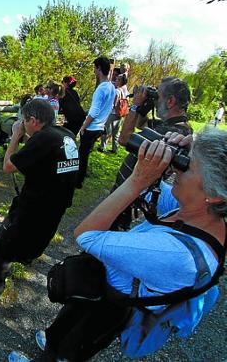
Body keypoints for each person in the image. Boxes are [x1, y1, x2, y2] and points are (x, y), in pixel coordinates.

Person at [17, 130, 225, 362]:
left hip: (107, 309)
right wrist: (155, 163)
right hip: (98, 290)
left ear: (214, 194)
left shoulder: (178, 255)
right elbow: (147, 193)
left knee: (69, 351)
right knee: (62, 334)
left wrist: (139, 179)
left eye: (188, 165)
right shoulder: (199, 212)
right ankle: (50, 346)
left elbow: (86, 235)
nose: (178, 168)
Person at [0, 99, 79, 299]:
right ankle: (25, 257)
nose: (22, 124)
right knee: (35, 241)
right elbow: (44, 162)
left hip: (33, 208)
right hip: (56, 207)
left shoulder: (42, 139)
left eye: (23, 121)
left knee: (2, 246)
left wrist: (16, 135)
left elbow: (8, 166)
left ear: (33, 120)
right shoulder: (66, 135)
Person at [111, 77, 193, 230]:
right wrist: (144, 107)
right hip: (130, 193)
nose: (155, 99)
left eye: (158, 96)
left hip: (128, 197)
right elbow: (142, 125)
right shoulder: (174, 125)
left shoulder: (172, 133)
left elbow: (124, 139)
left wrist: (134, 106)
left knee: (105, 235)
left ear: (170, 101)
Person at [75, 57, 116, 189]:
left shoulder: (101, 89)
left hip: (92, 127)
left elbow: (93, 112)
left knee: (82, 155)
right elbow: (109, 108)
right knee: (85, 153)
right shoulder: (111, 87)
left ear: (98, 68)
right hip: (100, 126)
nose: (94, 70)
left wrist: (83, 126)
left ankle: (78, 181)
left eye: (94, 68)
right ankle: (80, 177)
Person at [98, 74, 129, 153]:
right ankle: (115, 149)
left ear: (121, 82)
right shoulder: (126, 91)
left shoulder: (117, 91)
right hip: (121, 114)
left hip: (113, 114)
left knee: (106, 130)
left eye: (118, 80)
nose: (116, 81)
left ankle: (102, 147)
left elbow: (114, 104)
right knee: (116, 132)